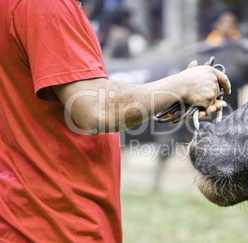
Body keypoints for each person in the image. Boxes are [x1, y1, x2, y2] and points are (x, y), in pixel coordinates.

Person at [0, 0, 230, 242]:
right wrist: (182, 85)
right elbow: (95, 108)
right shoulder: (46, 4)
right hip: (57, 222)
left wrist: (167, 100)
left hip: (26, 213)